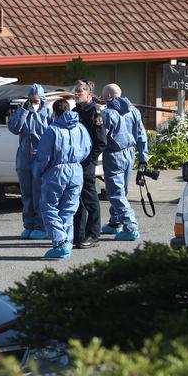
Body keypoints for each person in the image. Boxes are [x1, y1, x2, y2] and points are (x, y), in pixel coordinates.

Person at [33, 99, 91, 259]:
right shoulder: (80, 127)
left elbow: (43, 157)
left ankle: (60, 242)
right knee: (69, 209)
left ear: (55, 113)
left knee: (49, 207)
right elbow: (87, 148)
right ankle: (66, 243)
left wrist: (38, 173)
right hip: (76, 170)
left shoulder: (52, 130)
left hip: (56, 171)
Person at [100, 83, 148, 241]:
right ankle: (115, 222)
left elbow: (101, 137)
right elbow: (142, 136)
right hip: (130, 154)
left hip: (114, 154)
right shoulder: (134, 110)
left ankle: (130, 226)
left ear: (107, 97)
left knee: (115, 193)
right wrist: (143, 159)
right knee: (122, 191)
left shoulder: (107, 113)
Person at [7, 84, 52, 240]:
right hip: (24, 157)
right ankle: (29, 225)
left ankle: (41, 226)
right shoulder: (22, 112)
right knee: (26, 194)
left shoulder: (48, 113)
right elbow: (14, 128)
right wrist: (24, 111)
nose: (34, 102)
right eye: (31, 99)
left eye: (37, 99)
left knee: (39, 193)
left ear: (42, 99)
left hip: (41, 158)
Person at [72, 80, 107, 249]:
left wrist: (89, 162)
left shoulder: (95, 112)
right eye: (76, 91)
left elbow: (101, 142)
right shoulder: (74, 111)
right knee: (76, 199)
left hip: (87, 164)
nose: (77, 94)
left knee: (90, 199)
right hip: (74, 163)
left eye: (80, 91)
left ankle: (93, 234)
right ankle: (78, 235)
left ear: (89, 94)